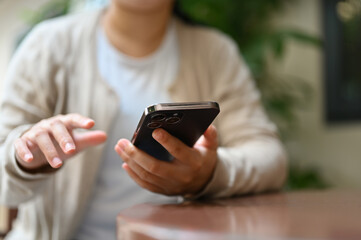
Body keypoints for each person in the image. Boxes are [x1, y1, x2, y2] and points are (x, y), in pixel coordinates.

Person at [0, 0, 287, 239]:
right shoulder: (47, 45)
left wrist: (210, 173)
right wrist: (25, 158)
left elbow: (269, 155)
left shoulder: (215, 52)